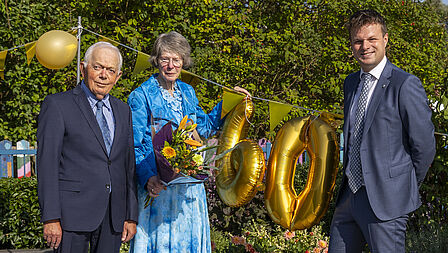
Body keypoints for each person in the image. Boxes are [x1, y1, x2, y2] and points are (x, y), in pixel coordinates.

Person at [128, 31, 250, 252]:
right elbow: (136, 144)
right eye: (165, 59)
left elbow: (203, 127)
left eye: (177, 60)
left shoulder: (188, 91)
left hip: (189, 188)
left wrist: (230, 101)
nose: (171, 65)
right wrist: (148, 178)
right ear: (156, 60)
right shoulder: (141, 95)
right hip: (159, 187)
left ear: (183, 62)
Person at [328, 10, 436, 252]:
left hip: (387, 204)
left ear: (385, 40)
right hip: (349, 197)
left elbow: (424, 147)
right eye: (358, 41)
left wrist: (400, 186)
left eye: (372, 39)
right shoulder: (350, 83)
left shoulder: (405, 84)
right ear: (352, 45)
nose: (365, 46)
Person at [37, 42, 138, 253]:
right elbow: (47, 165)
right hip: (70, 217)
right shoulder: (57, 105)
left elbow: (128, 166)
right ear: (83, 68)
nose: (104, 75)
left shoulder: (123, 110)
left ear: (118, 76)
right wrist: (50, 217)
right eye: (98, 67)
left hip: (113, 217)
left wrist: (130, 215)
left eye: (110, 70)